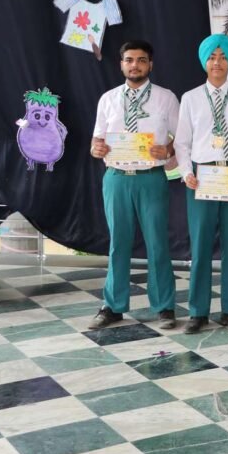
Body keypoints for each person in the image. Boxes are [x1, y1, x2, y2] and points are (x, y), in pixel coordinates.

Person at [88, 40, 179, 330]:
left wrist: (168, 150)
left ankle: (164, 307)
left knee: (157, 243)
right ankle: (113, 306)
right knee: (118, 244)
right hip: (116, 178)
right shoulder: (108, 99)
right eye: (129, 60)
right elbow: (97, 140)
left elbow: (182, 138)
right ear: (121, 64)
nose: (135, 65)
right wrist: (96, 149)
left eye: (141, 60)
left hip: (150, 178)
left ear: (150, 64)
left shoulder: (165, 98)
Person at [174, 34, 228, 334]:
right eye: (212, 57)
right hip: (202, 177)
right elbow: (182, 143)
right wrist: (186, 172)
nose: (217, 63)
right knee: (200, 246)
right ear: (204, 62)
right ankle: (197, 312)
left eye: (223, 57)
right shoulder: (191, 98)